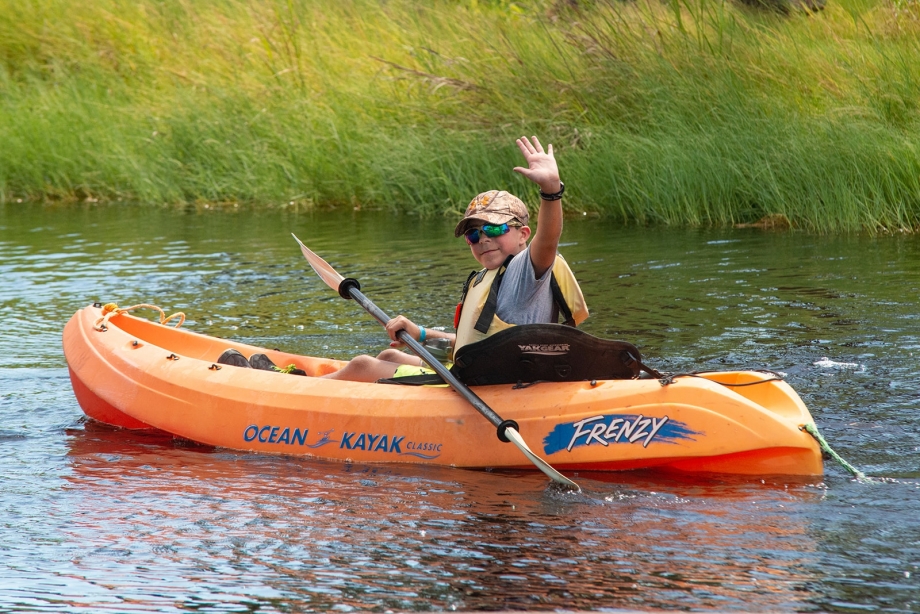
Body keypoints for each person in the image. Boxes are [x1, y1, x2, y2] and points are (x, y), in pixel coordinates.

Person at [315, 134, 588, 382]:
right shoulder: (487, 278)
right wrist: (421, 333)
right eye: (473, 234)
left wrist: (551, 191)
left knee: (364, 365)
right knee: (390, 357)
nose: (483, 238)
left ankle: (295, 390)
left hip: (503, 387)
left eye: (495, 228)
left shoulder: (525, 270)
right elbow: (472, 345)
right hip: (485, 375)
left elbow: (548, 239)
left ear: (522, 234)